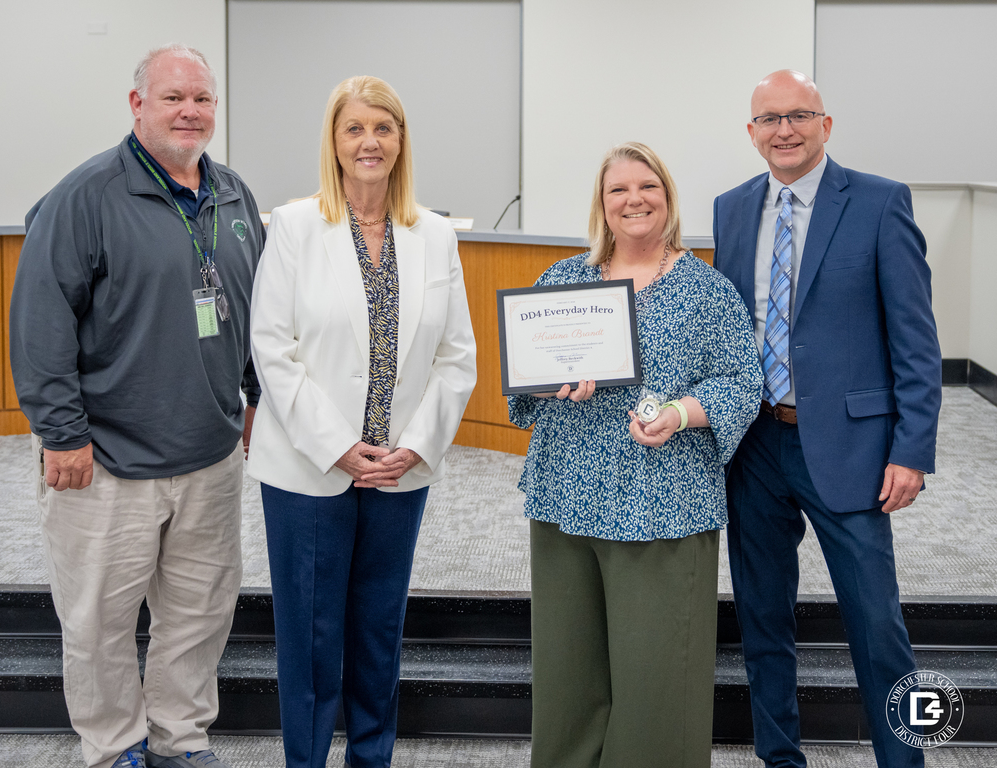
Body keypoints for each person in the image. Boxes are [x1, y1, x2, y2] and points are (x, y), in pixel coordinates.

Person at [8, 44, 263, 768]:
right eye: (174, 97)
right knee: (98, 622)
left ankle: (179, 740)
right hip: (105, 463)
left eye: (203, 100)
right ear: (137, 105)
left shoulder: (235, 197)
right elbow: (40, 324)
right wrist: (61, 435)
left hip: (210, 459)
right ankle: (114, 744)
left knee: (198, 614)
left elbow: (250, 313)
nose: (191, 112)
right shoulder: (84, 197)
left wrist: (252, 399)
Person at [713, 70, 942, 768]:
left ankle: (906, 759)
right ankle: (781, 758)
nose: (784, 129)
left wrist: (913, 449)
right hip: (754, 445)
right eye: (770, 119)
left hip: (851, 449)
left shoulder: (878, 202)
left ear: (826, 124)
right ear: (751, 133)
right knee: (762, 618)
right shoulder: (730, 207)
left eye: (799, 115)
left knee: (877, 624)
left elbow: (915, 339)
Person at [246, 75, 476, 768]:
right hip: (308, 467)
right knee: (311, 637)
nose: (370, 141)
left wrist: (416, 446)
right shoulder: (293, 227)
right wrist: (339, 445)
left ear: (402, 141)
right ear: (335, 143)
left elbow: (456, 357)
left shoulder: (434, 235)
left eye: (384, 127)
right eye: (355, 129)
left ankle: (371, 757)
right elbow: (273, 348)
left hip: (399, 470)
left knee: (378, 630)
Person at [509, 142, 762, 768]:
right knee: (568, 676)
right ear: (602, 203)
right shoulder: (563, 281)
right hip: (566, 500)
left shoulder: (705, 289)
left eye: (647, 186)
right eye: (618, 190)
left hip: (663, 506)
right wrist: (545, 379)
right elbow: (524, 382)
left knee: (657, 685)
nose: (634, 200)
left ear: (668, 197)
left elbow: (739, 382)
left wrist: (679, 414)